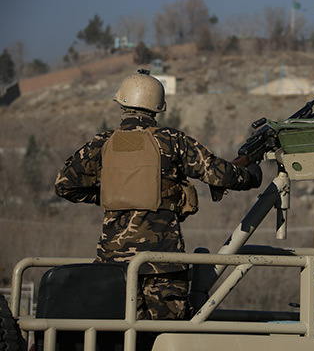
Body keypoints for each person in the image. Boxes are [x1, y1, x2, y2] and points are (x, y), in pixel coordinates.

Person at [55, 70, 262, 320]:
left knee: (119, 334)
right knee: (166, 334)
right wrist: (251, 175)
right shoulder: (171, 141)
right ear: (158, 107)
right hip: (164, 263)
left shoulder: (101, 144)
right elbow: (221, 174)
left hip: (113, 264)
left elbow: (64, 185)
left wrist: (108, 194)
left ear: (122, 103)